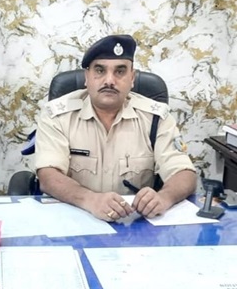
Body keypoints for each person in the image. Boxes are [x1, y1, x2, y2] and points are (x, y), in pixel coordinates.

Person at [35, 35, 197, 221]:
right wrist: (90, 199)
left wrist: (163, 198)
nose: (109, 80)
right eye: (100, 70)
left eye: (120, 71)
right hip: (74, 217)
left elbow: (184, 173)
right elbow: (48, 176)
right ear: (87, 77)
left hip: (135, 222)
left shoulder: (156, 118)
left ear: (132, 78)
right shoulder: (57, 115)